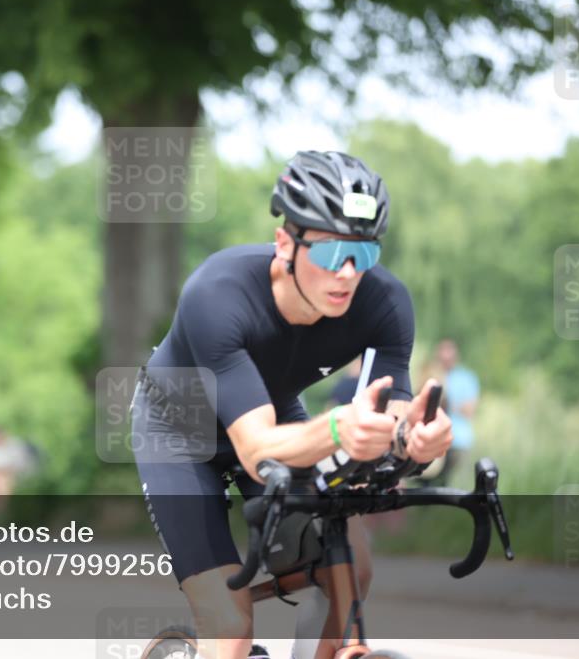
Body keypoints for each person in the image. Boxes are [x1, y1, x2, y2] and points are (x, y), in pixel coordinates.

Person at [130, 151, 453, 659]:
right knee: (229, 628)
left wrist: (414, 439)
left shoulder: (385, 303)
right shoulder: (218, 293)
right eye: (329, 253)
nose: (347, 273)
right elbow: (258, 448)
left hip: (274, 414)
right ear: (285, 243)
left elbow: (391, 410)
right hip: (178, 431)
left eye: (363, 255)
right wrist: (341, 431)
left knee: (350, 572)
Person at [433, 339, 479, 486]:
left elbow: (470, 410)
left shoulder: (466, 378)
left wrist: (447, 404)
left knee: (453, 485)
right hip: (435, 439)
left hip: (458, 440)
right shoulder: (433, 376)